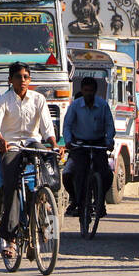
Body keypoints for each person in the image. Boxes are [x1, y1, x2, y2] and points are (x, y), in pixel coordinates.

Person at [0, 62, 57, 261]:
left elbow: (47, 128)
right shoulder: (4, 100)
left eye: (26, 76)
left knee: (48, 162)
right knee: (12, 188)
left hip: (32, 142)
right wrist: (1, 141)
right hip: (11, 146)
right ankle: (10, 239)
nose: (23, 80)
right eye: (19, 77)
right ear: (10, 80)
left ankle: (45, 205)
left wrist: (53, 144)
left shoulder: (38, 99)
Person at [59, 77, 116, 217]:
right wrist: (68, 141)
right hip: (80, 144)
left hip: (98, 143)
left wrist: (109, 141)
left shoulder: (102, 105)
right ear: (82, 90)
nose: (88, 93)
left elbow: (109, 125)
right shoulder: (75, 105)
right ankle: (78, 202)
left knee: (106, 174)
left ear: (95, 91)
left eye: (91, 90)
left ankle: (100, 201)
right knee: (77, 173)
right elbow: (67, 125)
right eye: (86, 90)